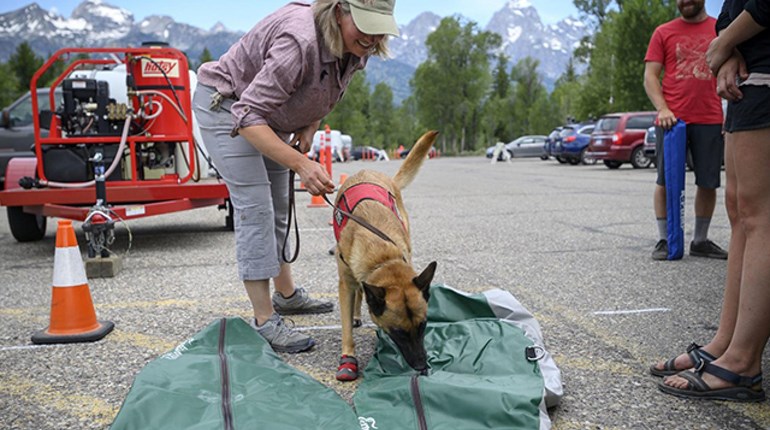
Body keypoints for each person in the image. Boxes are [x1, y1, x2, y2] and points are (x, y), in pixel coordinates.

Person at [192, 0, 399, 353]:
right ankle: (264, 321)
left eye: (379, 26)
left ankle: (286, 296)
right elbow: (246, 115)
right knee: (255, 208)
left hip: (270, 117)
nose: (373, 35)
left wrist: (310, 122)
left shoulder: (359, 44)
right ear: (338, 12)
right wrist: (302, 164)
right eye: (365, 24)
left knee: (278, 205)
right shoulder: (298, 41)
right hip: (229, 107)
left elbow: (325, 89)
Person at [654, 0, 769, 402]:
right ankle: (725, 342)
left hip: (765, 72)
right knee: (741, 215)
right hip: (747, 77)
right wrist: (727, 53)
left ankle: (743, 363)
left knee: (762, 220)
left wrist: (723, 45)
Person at [643, 0, 729, 261]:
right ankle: (664, 239)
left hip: (710, 118)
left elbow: (730, 70)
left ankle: (700, 241)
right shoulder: (663, 32)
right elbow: (650, 77)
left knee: (708, 181)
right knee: (665, 180)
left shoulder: (721, 29)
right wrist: (663, 109)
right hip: (672, 122)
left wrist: (728, 112)